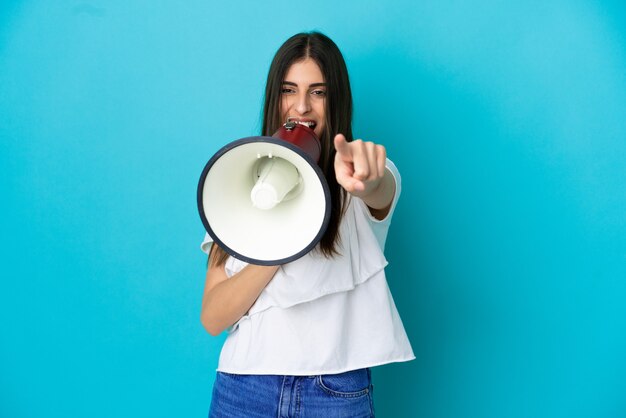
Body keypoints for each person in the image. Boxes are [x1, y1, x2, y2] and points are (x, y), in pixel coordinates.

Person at [200, 31, 414, 418]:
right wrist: (282, 235)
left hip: (333, 394)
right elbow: (213, 317)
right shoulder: (234, 185)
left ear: (337, 100)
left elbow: (379, 189)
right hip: (243, 389)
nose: (302, 105)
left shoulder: (355, 178)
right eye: (289, 89)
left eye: (318, 91)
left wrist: (369, 178)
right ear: (274, 97)